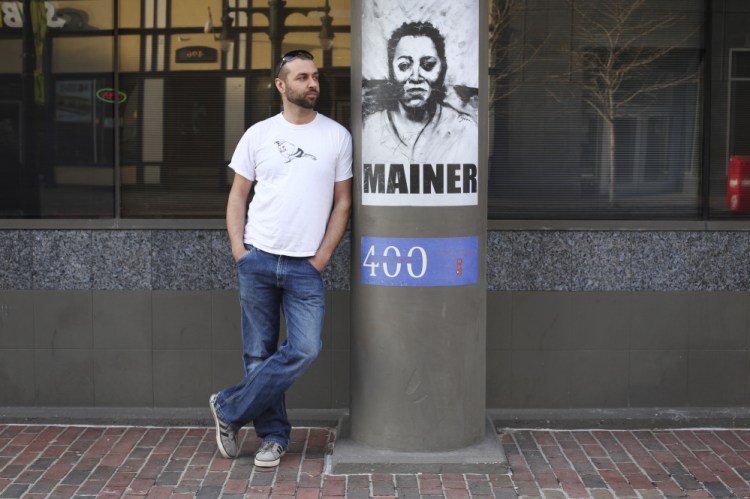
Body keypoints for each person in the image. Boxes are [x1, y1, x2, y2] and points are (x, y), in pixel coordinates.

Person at [209, 49, 353, 468]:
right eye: (303, 77)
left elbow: (342, 204)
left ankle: (229, 407)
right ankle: (273, 437)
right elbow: (238, 194)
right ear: (280, 85)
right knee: (258, 353)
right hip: (257, 257)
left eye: (315, 77)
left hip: (305, 266)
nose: (313, 84)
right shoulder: (258, 134)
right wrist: (240, 250)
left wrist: (321, 258)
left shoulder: (336, 136)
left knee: (305, 348)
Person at [362, 21, 477, 163]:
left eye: (428, 65)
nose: (415, 77)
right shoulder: (369, 129)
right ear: (391, 71)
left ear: (443, 69)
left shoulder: (464, 129)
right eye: (404, 66)